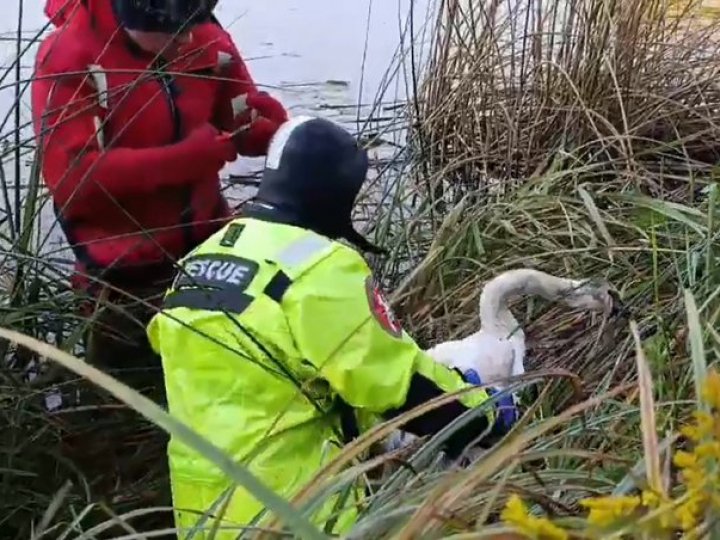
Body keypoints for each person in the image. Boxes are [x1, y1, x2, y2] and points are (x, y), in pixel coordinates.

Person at [146, 115, 520, 537]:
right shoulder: (320, 268)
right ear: (333, 194)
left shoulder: (201, 259)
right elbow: (399, 386)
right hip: (294, 509)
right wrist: (483, 413)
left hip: (202, 510)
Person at [31, 0, 288, 395]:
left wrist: (268, 131)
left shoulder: (202, 33)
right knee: (127, 414)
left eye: (194, 21)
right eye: (172, 29)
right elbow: (73, 184)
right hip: (121, 287)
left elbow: (236, 115)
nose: (187, 38)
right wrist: (183, 161)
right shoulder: (70, 56)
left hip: (208, 263)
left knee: (230, 391)